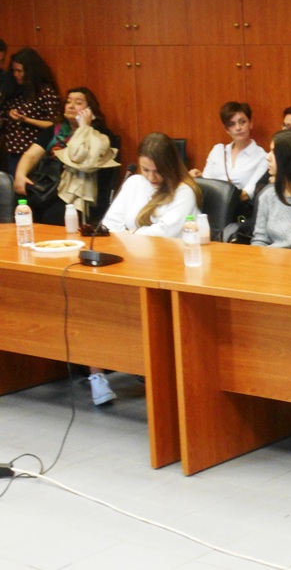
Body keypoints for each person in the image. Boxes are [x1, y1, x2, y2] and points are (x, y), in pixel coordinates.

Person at [90, 133, 202, 405]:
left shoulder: (184, 190)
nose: (151, 177)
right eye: (146, 169)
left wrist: (130, 234)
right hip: (129, 262)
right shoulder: (134, 184)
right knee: (93, 301)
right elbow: (110, 224)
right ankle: (96, 374)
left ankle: (148, 368)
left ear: (170, 166)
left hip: (169, 268)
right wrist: (133, 235)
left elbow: (165, 234)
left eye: (157, 171)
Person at [13, 87, 118, 225]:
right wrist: (20, 175)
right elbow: (31, 155)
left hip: (77, 192)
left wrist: (84, 127)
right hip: (49, 185)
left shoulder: (101, 135)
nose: (71, 106)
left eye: (78, 103)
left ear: (90, 110)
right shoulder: (55, 130)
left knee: (53, 216)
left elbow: (80, 160)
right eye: (68, 102)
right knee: (23, 205)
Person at [189, 101, 267, 204]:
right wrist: (198, 178)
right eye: (232, 124)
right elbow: (206, 183)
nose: (238, 128)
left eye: (242, 122)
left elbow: (248, 194)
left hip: (237, 208)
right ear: (227, 129)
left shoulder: (262, 157)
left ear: (250, 123)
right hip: (210, 206)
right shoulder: (217, 151)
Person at [1, 48, 61, 175]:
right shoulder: (13, 90)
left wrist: (25, 119)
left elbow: (54, 124)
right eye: (14, 70)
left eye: (19, 71)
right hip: (12, 149)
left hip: (34, 150)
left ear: (30, 72)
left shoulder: (45, 91)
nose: (15, 74)